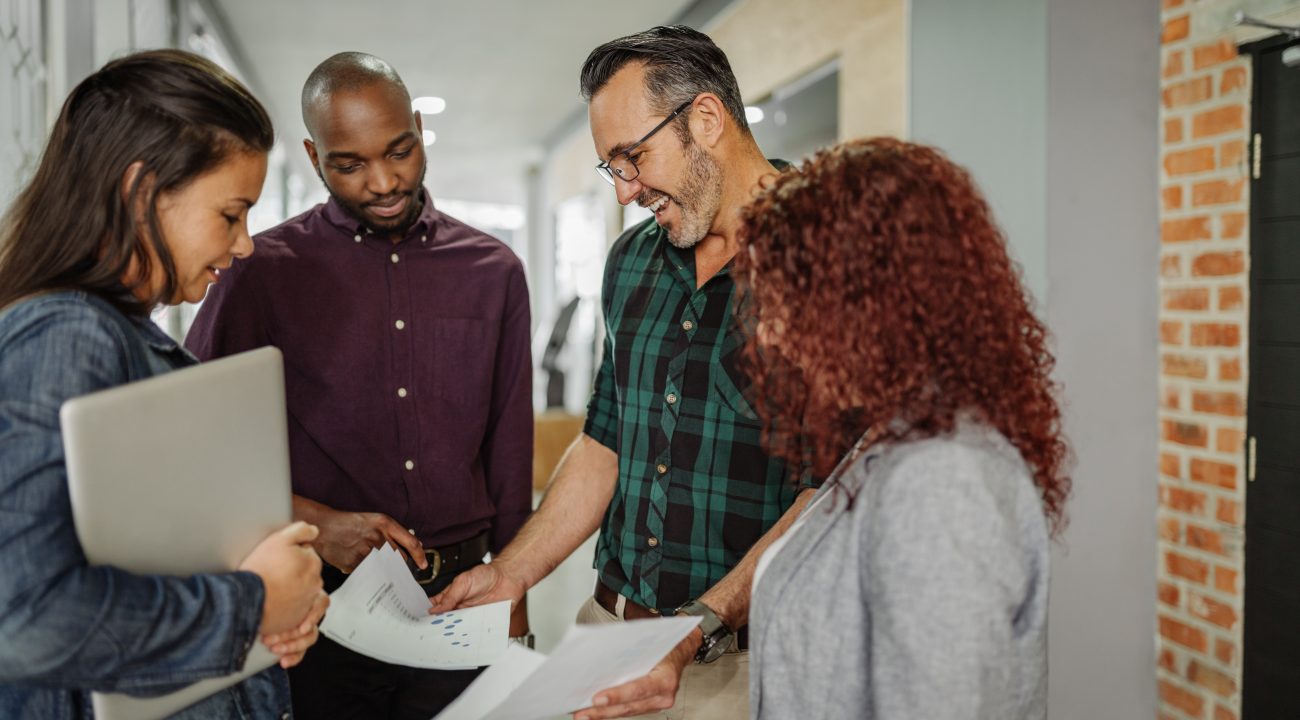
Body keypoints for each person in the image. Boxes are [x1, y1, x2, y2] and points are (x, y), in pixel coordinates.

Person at [432, 26, 812, 720]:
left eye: (632, 157)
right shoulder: (633, 260)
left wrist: (700, 625)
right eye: (614, 167)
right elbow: (607, 442)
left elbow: (832, 491)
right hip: (606, 635)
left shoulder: (825, 256)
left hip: (744, 668)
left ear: (704, 118)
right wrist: (511, 572)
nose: (625, 192)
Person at [185, 51, 533, 720]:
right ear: (315, 158)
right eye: (350, 164)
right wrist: (313, 520)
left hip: (459, 597)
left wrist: (516, 597)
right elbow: (198, 446)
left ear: (419, 135)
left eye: (399, 151)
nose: (382, 181)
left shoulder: (495, 271)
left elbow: (509, 452)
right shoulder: (257, 275)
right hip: (319, 609)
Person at [0, 49, 327, 719]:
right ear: (141, 192)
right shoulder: (68, 337)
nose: (244, 247)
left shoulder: (126, 337)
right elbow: (25, 617)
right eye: (230, 215)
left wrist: (274, 604)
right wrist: (254, 603)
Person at [736, 138, 1072, 719]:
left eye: (783, 300)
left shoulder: (941, 479)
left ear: (863, 301)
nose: (767, 332)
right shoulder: (896, 435)